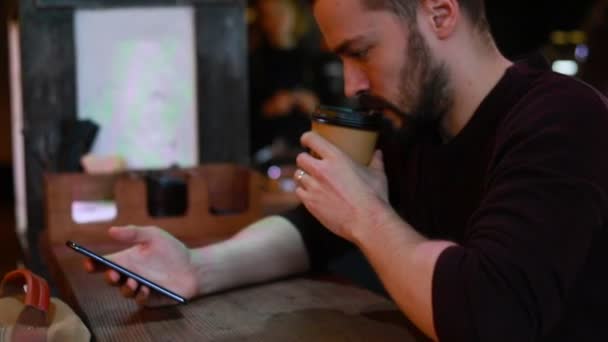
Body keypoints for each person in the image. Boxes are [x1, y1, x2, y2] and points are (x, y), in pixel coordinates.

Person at [84, 0, 608, 341]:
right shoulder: (413, 126)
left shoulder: (562, 118)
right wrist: (196, 267)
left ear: (440, 13)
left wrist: (366, 213)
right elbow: (312, 229)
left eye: (362, 52)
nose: (354, 83)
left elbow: (490, 315)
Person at [248, 0, 320, 157]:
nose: (276, 21)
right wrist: (270, 108)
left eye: (280, 14)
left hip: (307, 148)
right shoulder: (254, 62)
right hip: (267, 150)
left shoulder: (314, 60)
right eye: (269, 16)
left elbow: (333, 110)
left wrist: (313, 106)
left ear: (294, 14)